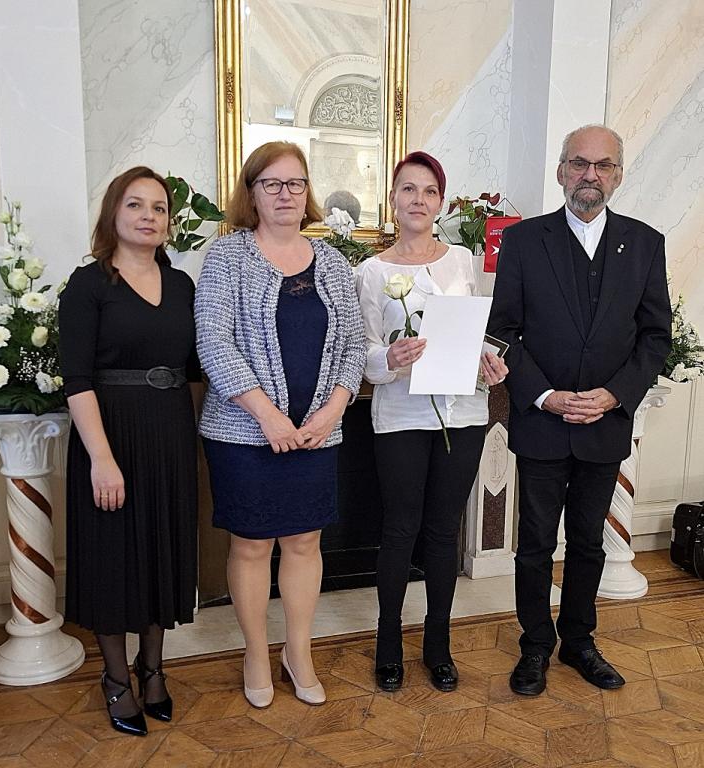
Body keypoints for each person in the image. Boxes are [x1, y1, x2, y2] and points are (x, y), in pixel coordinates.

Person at [488, 125, 671, 696]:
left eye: (603, 165)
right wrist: (544, 395)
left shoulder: (646, 243)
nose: (590, 175)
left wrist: (615, 394)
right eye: (579, 163)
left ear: (618, 175)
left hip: (605, 423)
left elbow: (655, 338)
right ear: (561, 171)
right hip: (542, 422)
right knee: (535, 543)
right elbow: (503, 331)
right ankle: (535, 645)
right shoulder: (523, 242)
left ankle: (579, 641)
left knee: (590, 542)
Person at [195, 141, 366, 709]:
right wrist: (267, 416)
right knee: (250, 544)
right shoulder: (227, 256)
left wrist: (332, 411)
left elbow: (354, 347)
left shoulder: (334, 263)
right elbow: (213, 342)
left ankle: (298, 651)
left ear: (307, 192)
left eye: (295, 183)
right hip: (242, 434)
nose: (285, 194)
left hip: (317, 434)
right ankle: (254, 652)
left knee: (304, 540)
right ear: (252, 193)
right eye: (272, 183)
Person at [356, 151, 509, 693]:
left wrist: (491, 360)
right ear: (392, 200)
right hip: (400, 415)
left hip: (462, 413)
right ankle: (388, 643)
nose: (418, 199)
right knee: (400, 529)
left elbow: (477, 332)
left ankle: (438, 644)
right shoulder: (370, 272)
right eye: (408, 189)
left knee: (445, 531)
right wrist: (389, 359)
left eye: (429, 191)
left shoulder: (463, 260)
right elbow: (363, 354)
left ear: (440, 202)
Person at [58, 166, 199, 736]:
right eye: (136, 205)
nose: (149, 216)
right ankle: (116, 678)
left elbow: (199, 366)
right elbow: (76, 379)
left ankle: (153, 668)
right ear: (113, 213)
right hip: (109, 435)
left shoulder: (182, 285)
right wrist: (102, 458)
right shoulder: (88, 284)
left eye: (159, 208)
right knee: (114, 557)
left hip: (170, 434)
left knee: (161, 548)